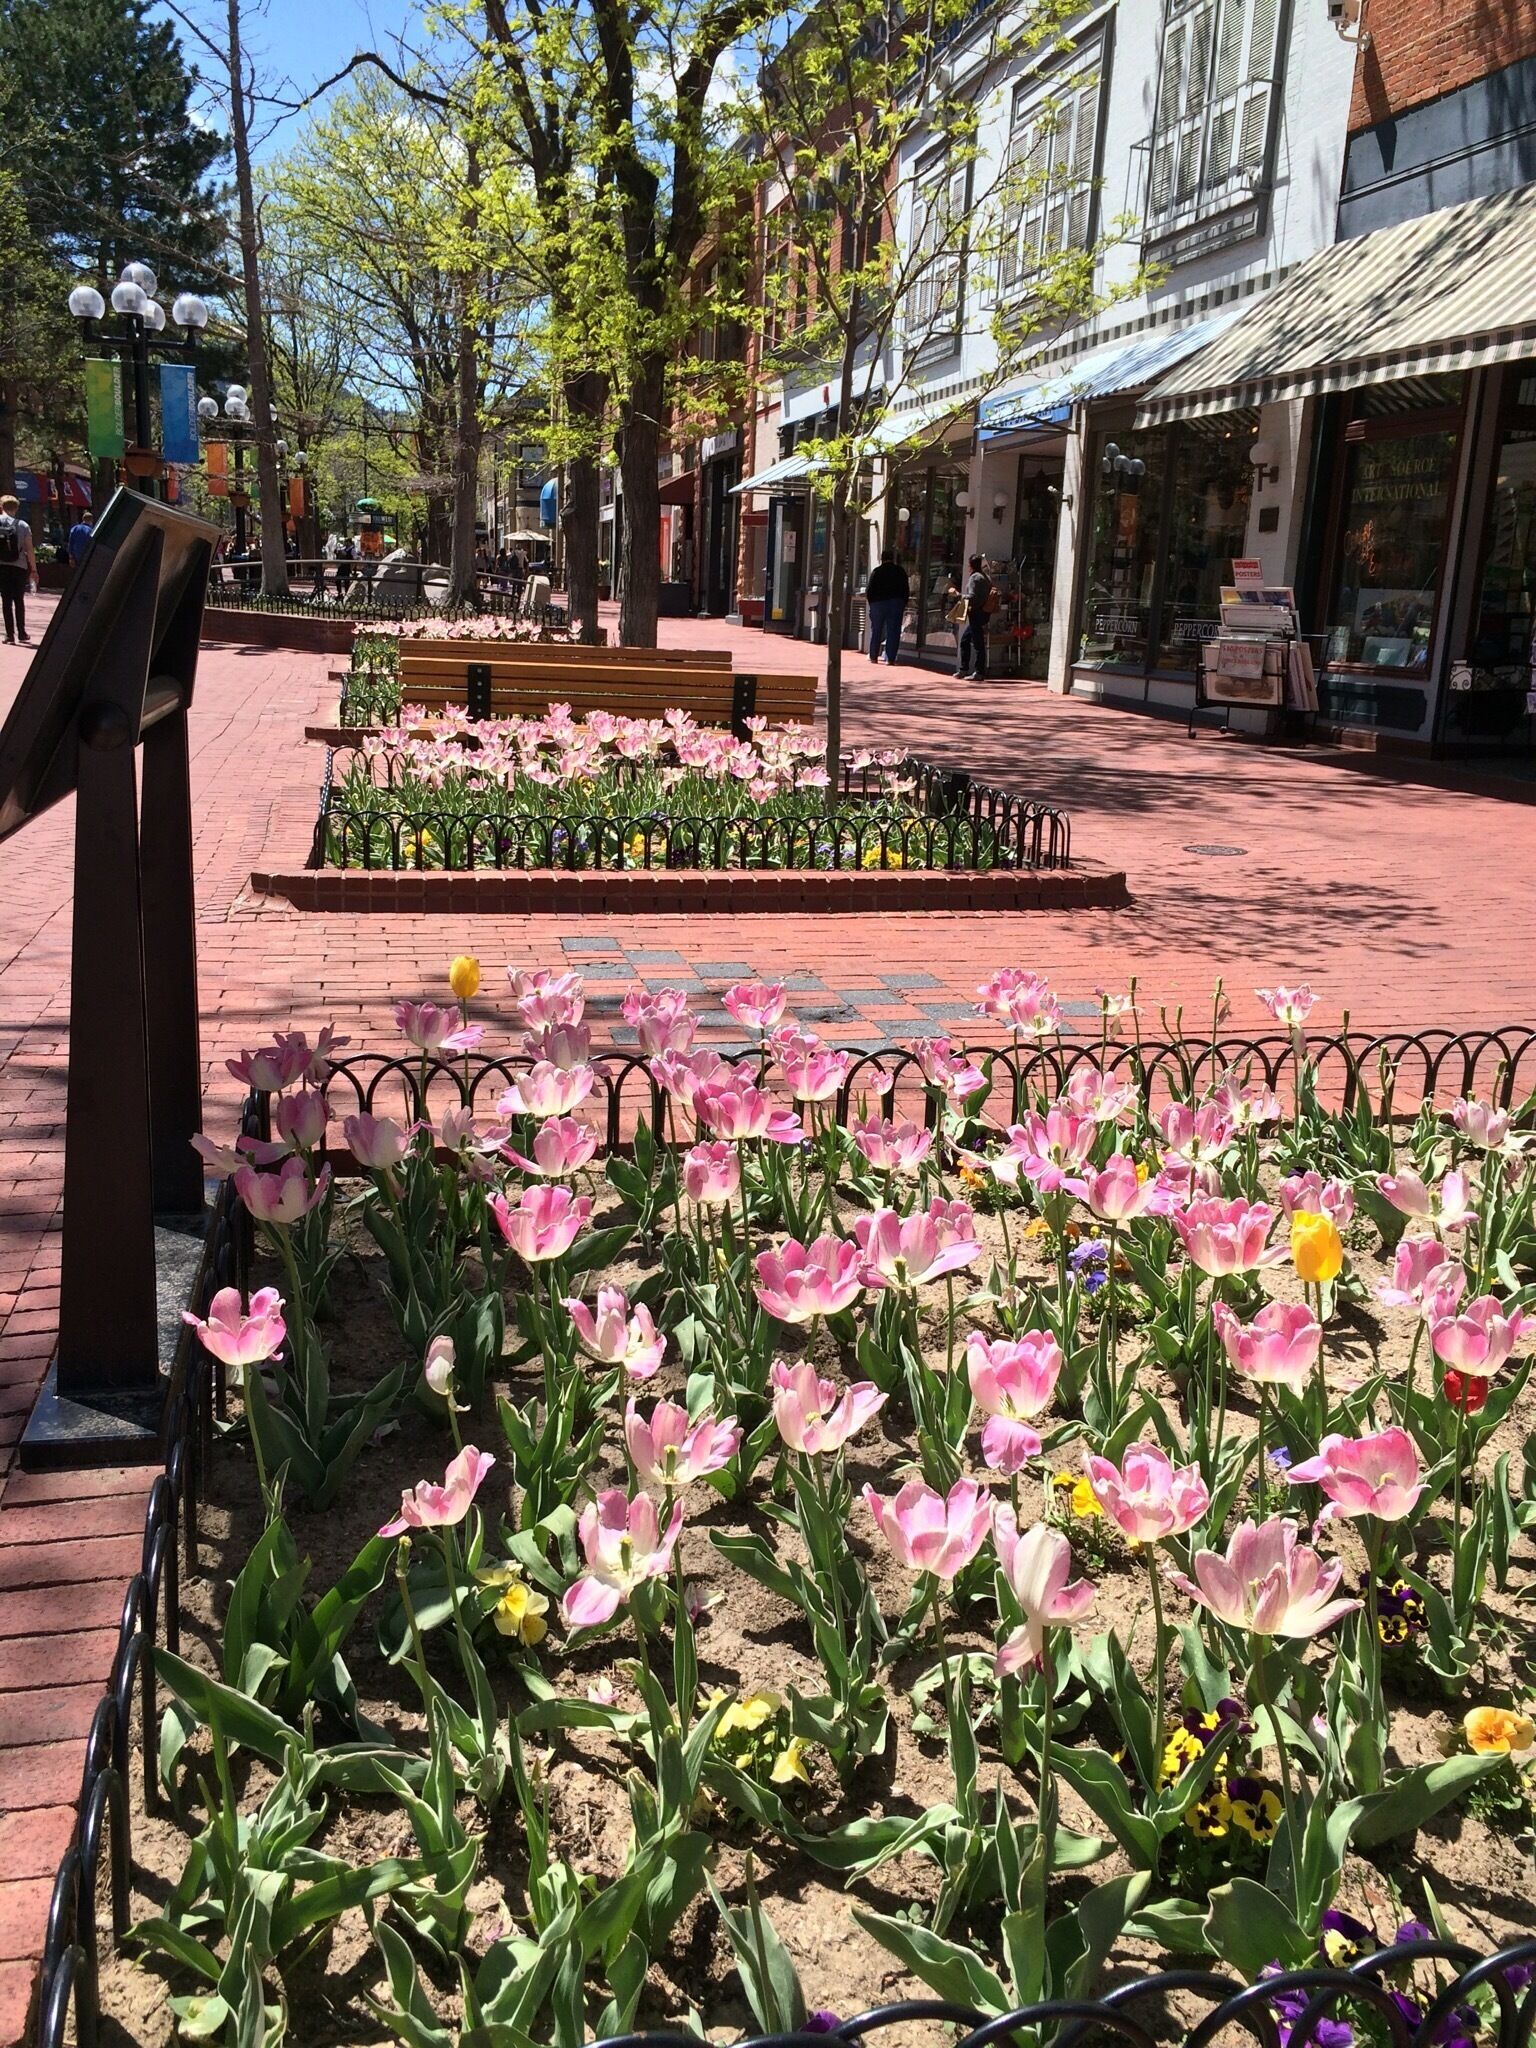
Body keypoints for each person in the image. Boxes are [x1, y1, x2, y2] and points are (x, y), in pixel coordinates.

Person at [947, 552, 994, 681]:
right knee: (967, 640)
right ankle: (965, 669)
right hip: (984, 613)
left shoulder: (975, 578)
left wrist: (958, 595)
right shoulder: (986, 577)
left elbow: (972, 597)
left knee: (976, 643)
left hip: (976, 613)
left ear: (970, 565)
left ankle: (977, 671)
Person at [0, 493, 38, 645]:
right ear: (16, 508)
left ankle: (9, 635)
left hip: (2, 567)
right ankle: (22, 632)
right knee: (18, 600)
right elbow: (29, 549)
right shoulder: (23, 525)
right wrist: (33, 569)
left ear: (1, 507)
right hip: (19, 567)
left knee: (6, 601)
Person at [864, 548, 910, 665]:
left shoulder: (877, 572)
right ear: (893, 559)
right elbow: (905, 588)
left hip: (878, 603)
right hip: (895, 602)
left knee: (876, 629)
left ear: (882, 559)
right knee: (893, 630)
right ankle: (890, 658)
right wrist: (903, 602)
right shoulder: (900, 571)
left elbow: (869, 590)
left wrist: (872, 603)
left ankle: (873, 656)